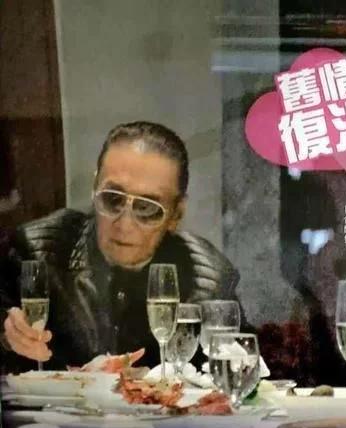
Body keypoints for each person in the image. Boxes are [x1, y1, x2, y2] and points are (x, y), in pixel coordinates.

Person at [0, 121, 245, 372]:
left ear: (176, 215)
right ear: (95, 188)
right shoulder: (35, 252)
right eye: (112, 199)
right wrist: (7, 339)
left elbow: (240, 373)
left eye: (147, 208)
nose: (124, 224)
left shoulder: (209, 281)